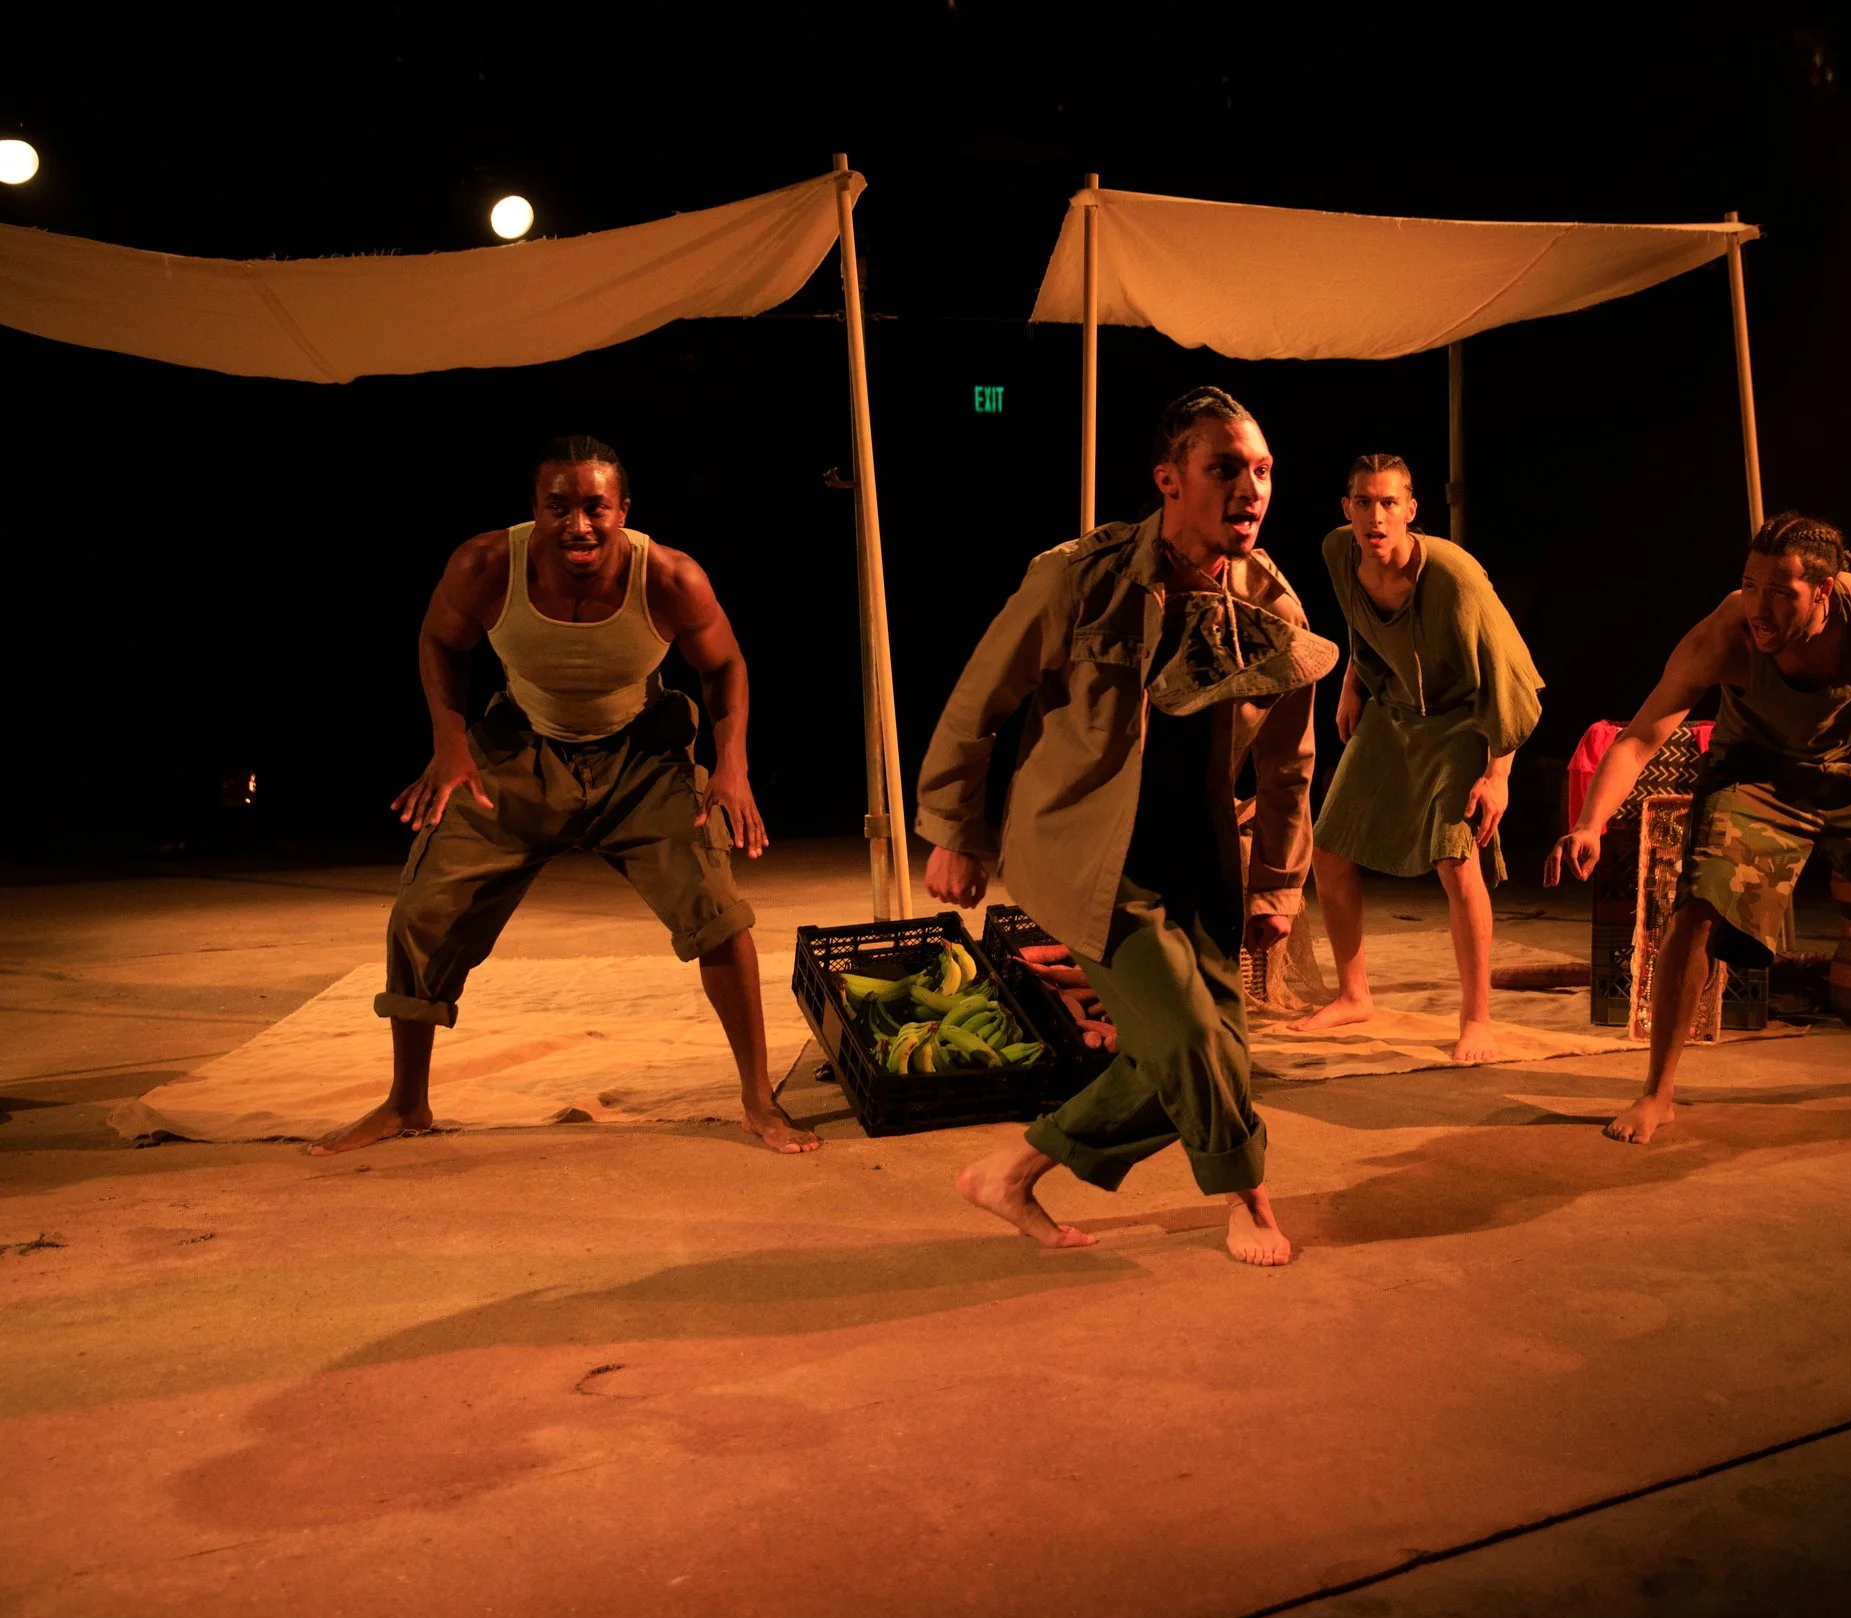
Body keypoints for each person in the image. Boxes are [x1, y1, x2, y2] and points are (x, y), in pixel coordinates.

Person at [917, 388, 1334, 1266]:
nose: (1251, 489)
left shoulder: (1273, 609)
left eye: (1263, 471)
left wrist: (1278, 884)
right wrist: (954, 829)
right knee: (1192, 1039)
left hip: (1202, 854)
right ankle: (1249, 1199)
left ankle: (1012, 1172)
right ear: (1168, 479)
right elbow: (976, 704)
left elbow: (1288, 764)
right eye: (1226, 468)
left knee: (1201, 1051)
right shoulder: (1079, 579)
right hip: (1091, 854)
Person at [312, 436, 815, 1157]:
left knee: (717, 911)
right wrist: (449, 743)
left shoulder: (670, 578)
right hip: (519, 751)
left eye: (595, 508)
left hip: (640, 756)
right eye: (559, 507)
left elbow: (726, 664)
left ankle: (758, 1100)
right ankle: (406, 1102)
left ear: (623, 511)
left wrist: (731, 764)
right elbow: (439, 640)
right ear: (534, 510)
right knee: (423, 910)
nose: (578, 525)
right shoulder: (486, 565)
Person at [1546, 511, 1851, 1144]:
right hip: (1752, 776)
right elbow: (1642, 735)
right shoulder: (1725, 633)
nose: (1758, 607)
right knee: (1697, 912)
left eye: (1780, 592)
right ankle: (1658, 1093)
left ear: (1824, 590)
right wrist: (1590, 823)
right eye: (1749, 585)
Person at [1290, 455, 1543, 1062]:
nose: (1375, 516)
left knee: (1455, 860)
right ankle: (1354, 995)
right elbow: (1358, 622)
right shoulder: (1339, 551)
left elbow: (1512, 676)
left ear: (1410, 510)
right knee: (1329, 848)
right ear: (1346, 508)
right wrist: (1352, 682)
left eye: (1388, 503)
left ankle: (1476, 1018)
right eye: (1363, 502)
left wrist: (1498, 774)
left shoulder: (1454, 577)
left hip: (1464, 718)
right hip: (1396, 708)